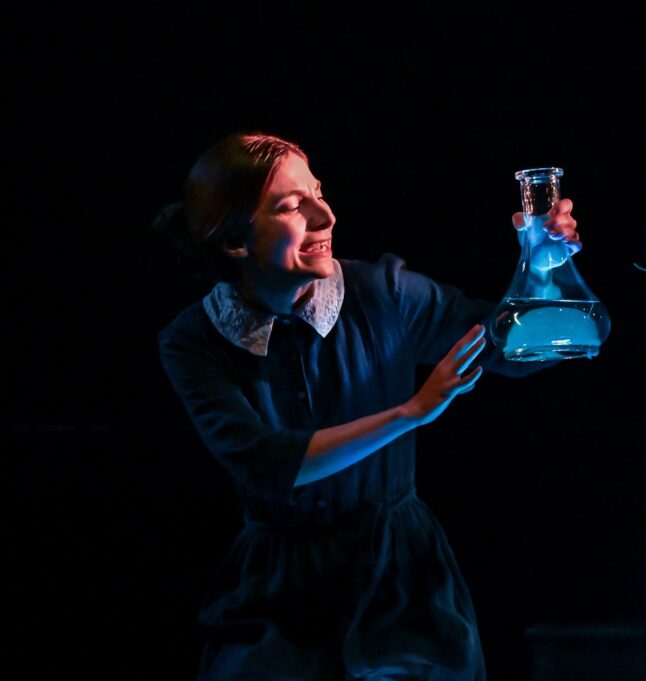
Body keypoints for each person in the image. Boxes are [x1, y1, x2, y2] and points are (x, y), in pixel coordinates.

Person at [157, 132, 580, 680]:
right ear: (236, 240)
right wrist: (411, 411)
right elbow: (267, 463)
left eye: (318, 193)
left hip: (401, 580)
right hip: (280, 592)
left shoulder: (384, 292)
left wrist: (541, 268)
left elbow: (513, 348)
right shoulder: (194, 341)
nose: (325, 216)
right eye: (291, 206)